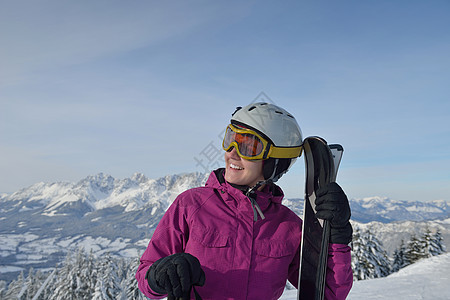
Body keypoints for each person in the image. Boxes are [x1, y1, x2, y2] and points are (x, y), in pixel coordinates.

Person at [136, 102, 353, 300]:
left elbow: (327, 294)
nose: (232, 153)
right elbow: (146, 276)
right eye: (231, 139)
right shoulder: (191, 205)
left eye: (248, 147)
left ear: (274, 162)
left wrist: (337, 236)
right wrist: (159, 275)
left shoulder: (289, 227)